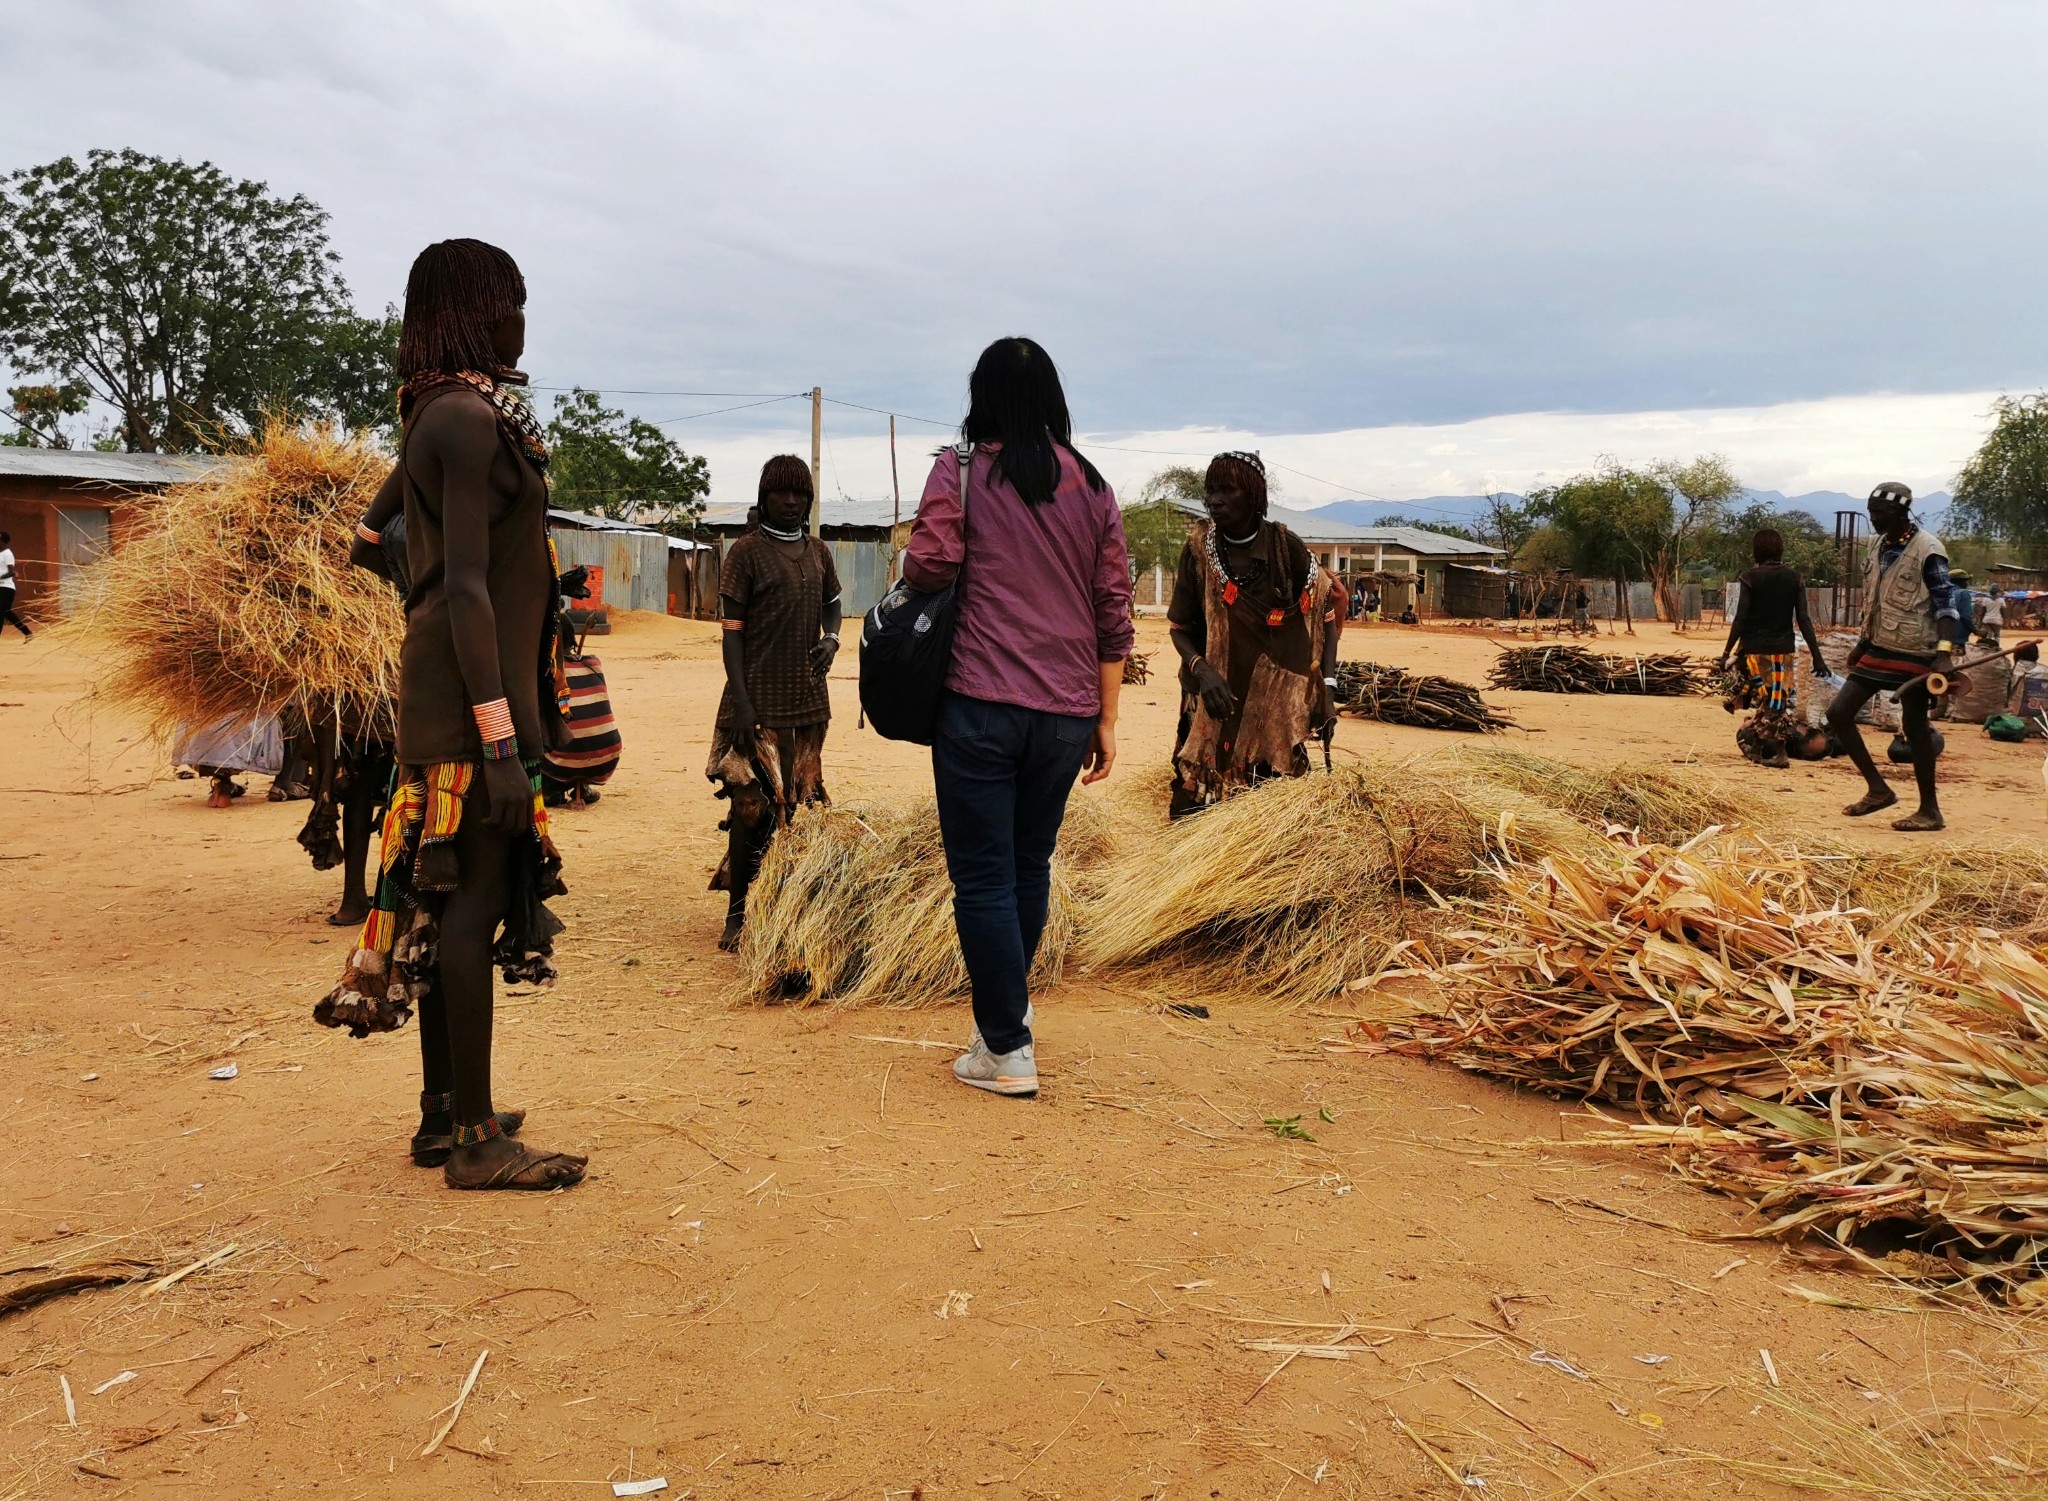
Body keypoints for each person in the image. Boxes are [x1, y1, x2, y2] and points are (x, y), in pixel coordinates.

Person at [320, 238, 584, 1190]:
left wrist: (412, 581)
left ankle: (444, 1114)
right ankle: (475, 1140)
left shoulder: (448, 416)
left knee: (450, 903)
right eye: (512, 302)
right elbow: (469, 588)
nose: (523, 319)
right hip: (477, 711)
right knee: (469, 906)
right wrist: (503, 738)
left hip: (463, 693)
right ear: (477, 312)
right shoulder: (464, 421)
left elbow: (363, 538)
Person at [901, 337, 1131, 1099]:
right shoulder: (1094, 486)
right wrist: (1107, 718)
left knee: (983, 878)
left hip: (980, 704)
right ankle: (1003, 1022)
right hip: (1066, 715)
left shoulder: (959, 469)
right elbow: (1113, 610)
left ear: (984, 396)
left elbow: (930, 566)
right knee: (1027, 867)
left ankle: (1007, 1046)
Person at [706, 454, 841, 952]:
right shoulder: (745, 553)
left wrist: (831, 639)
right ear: (763, 498)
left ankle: (785, 910)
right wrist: (742, 705)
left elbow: (833, 605)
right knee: (750, 808)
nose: (791, 502)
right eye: (781, 493)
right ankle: (737, 914)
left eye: (800, 494)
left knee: (799, 809)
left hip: (807, 703)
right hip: (754, 703)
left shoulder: (818, 552)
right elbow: (732, 637)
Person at [1166, 451, 1340, 817]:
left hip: (1272, 708)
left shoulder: (1284, 548)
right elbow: (1180, 629)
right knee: (1193, 812)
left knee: (1271, 816)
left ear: (1255, 497)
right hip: (1213, 699)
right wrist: (1203, 670)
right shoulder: (1199, 553)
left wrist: (1326, 687)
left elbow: (1325, 611)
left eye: (1227, 490)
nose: (1215, 500)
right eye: (1211, 490)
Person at [1823, 482, 1959, 832]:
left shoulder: (1929, 549)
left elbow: (1946, 605)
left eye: (1879, 513)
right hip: (1880, 647)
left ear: (1900, 512)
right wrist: (1862, 643)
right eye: (1870, 512)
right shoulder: (1878, 546)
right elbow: (1875, 602)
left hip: (1916, 652)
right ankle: (1878, 788)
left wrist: (1944, 654)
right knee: (1839, 713)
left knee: (1915, 726)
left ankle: (1930, 810)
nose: (1873, 519)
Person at [1718, 528, 1828, 767]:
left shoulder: (1750, 577)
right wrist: (1817, 656)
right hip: (1783, 650)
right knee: (1774, 700)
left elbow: (1740, 618)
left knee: (1770, 701)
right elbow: (1804, 620)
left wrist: (1727, 653)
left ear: (1756, 552)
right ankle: (1760, 747)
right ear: (1781, 551)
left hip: (1755, 652)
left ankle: (1779, 754)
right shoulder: (1794, 578)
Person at [0, 532, 30, 640]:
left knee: (3, 611)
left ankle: (27, 632)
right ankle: (27, 632)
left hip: (6, 587)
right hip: (1, 587)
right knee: (5, 612)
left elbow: (12, 572)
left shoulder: (7, 554)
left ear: (2, 540)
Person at [1978, 584, 2005, 649]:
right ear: (1997, 592)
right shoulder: (2001, 600)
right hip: (1997, 620)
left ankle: (1987, 647)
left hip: (1987, 619)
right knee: (1997, 635)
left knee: (1988, 634)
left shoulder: (1985, 600)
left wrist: (1980, 622)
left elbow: (1983, 612)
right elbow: (2002, 612)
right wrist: (2004, 620)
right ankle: (1996, 648)